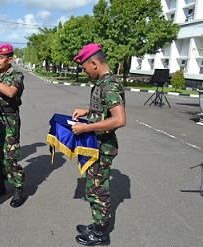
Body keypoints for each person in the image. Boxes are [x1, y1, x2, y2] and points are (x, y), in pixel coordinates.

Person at [71, 43, 126, 245]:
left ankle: (101, 233)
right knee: (93, 187)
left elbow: (119, 119)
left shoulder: (109, 84)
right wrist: (88, 112)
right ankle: (97, 223)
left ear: (94, 63)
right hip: (97, 144)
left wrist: (85, 128)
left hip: (103, 146)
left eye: (85, 67)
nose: (85, 72)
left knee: (98, 190)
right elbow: (105, 111)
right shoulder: (103, 83)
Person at [0, 43, 27, 208]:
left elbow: (10, 92)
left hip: (9, 119)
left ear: (10, 59)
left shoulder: (16, 75)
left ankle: (18, 189)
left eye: (1, 57)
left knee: (10, 156)